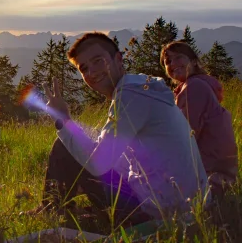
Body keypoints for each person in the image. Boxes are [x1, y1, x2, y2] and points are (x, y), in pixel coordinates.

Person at [26, 33, 208, 229]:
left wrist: (63, 120)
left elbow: (100, 164)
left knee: (65, 145)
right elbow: (120, 157)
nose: (92, 72)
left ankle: (52, 210)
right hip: (187, 205)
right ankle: (62, 210)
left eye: (98, 61)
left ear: (118, 59)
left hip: (163, 215)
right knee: (80, 142)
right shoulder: (139, 87)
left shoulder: (130, 96)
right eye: (84, 68)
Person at [161, 41, 238, 195]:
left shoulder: (194, 87)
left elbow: (184, 137)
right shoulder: (200, 85)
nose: (173, 63)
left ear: (194, 61)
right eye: (168, 61)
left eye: (179, 58)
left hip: (207, 178)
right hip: (221, 175)